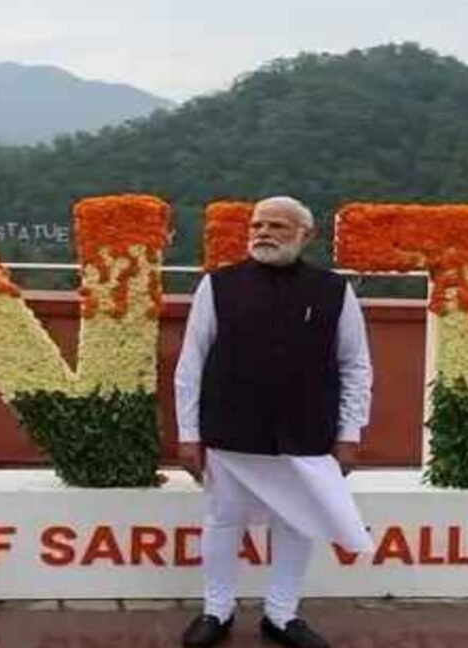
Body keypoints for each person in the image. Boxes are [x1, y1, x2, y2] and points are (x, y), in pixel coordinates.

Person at [174, 196, 373, 648]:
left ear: (306, 235)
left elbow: (356, 364)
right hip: (230, 428)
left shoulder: (334, 290)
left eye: (277, 226)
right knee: (223, 520)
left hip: (306, 431)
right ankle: (216, 610)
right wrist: (188, 434)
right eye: (257, 225)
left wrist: (349, 433)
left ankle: (281, 615)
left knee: (297, 522)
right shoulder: (218, 286)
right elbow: (191, 363)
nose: (263, 232)